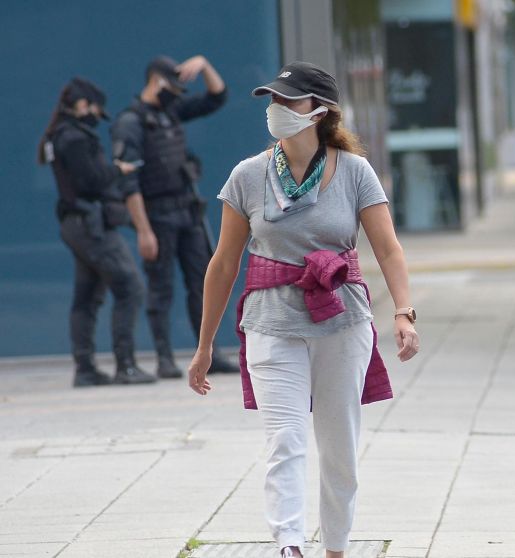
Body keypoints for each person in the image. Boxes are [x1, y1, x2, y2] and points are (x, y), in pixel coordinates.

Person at [186, 62, 420, 558]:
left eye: (288, 99)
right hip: (271, 325)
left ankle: (335, 547)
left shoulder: (354, 171)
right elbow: (224, 263)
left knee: (339, 449)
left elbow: (388, 248)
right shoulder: (247, 176)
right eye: (273, 98)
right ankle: (289, 545)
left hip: (342, 321)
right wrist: (204, 345)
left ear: (319, 111)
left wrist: (403, 311)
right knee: (285, 441)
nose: (276, 108)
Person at [111, 54, 240, 379]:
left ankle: (209, 352)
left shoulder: (170, 112)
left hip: (187, 210)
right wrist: (143, 230)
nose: (177, 95)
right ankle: (164, 358)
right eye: (173, 87)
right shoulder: (131, 122)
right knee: (161, 288)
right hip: (157, 215)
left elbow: (217, 98)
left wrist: (205, 65)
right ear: (156, 81)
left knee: (203, 281)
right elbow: (128, 183)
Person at [39, 77, 158, 387]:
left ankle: (85, 368)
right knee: (130, 287)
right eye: (94, 109)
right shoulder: (75, 138)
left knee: (88, 295)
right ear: (83, 105)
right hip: (91, 225)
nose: (95, 116)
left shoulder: (59, 135)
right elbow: (91, 181)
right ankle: (125, 365)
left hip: (77, 224)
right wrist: (118, 169)